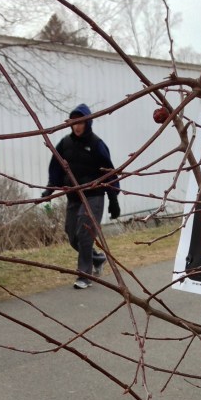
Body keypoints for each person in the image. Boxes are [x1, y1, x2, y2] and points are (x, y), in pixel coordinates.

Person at [42, 103, 121, 289]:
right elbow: (56, 167)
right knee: (72, 235)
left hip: (94, 196)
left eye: (81, 122)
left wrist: (113, 199)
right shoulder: (65, 144)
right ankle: (97, 258)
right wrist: (49, 189)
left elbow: (109, 172)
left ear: (88, 123)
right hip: (73, 196)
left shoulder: (96, 144)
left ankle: (84, 275)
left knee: (85, 234)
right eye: (74, 122)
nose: (77, 126)